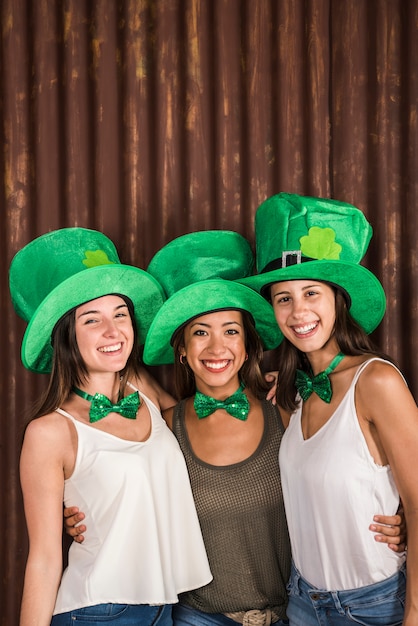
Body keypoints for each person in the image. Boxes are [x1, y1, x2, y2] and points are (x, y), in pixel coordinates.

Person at [65, 230, 406, 626]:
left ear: (249, 345)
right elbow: (109, 446)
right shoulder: (162, 429)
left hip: (292, 611)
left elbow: (345, 471)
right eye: (199, 333)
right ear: (181, 350)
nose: (216, 348)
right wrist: (80, 508)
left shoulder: (290, 410)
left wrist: (395, 519)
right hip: (199, 616)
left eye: (230, 330)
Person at [9, 227, 212, 626]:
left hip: (165, 611)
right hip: (98, 611)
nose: (112, 331)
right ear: (66, 335)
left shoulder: (143, 390)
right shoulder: (50, 432)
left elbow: (205, 423)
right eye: (91, 320)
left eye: (120, 314)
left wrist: (263, 388)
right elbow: (45, 559)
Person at [239, 192, 418, 626]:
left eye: (311, 293)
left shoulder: (376, 382)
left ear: (338, 298)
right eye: (283, 298)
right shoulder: (292, 393)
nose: (298, 311)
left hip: (373, 606)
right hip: (302, 601)